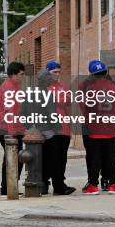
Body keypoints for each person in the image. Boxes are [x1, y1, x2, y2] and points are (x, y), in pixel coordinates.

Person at [81, 60, 115, 195]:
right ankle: (112, 185)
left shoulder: (89, 87)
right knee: (110, 157)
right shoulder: (113, 86)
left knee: (94, 157)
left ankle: (93, 185)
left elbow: (85, 107)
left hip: (94, 127)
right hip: (109, 126)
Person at [41, 61, 76, 195]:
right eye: (53, 72)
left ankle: (59, 184)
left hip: (63, 128)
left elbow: (68, 100)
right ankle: (45, 184)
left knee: (61, 159)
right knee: (49, 158)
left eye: (58, 72)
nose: (56, 75)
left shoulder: (62, 86)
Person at [0, 62, 26, 196]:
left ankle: (8, 187)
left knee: (12, 157)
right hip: (6, 127)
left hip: (10, 127)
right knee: (14, 156)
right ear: (13, 74)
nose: (23, 77)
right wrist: (12, 134)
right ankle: (8, 187)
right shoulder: (9, 88)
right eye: (21, 74)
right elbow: (10, 112)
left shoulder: (14, 86)